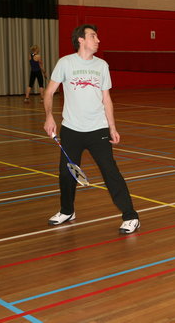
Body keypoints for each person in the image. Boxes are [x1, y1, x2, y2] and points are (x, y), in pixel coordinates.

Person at [43, 24, 140, 234]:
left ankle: (131, 216)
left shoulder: (102, 65)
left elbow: (106, 99)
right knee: (66, 174)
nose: (98, 40)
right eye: (93, 36)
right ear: (81, 39)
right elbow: (49, 92)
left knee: (110, 172)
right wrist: (49, 116)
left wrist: (112, 127)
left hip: (98, 130)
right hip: (71, 130)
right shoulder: (65, 63)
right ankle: (67, 210)